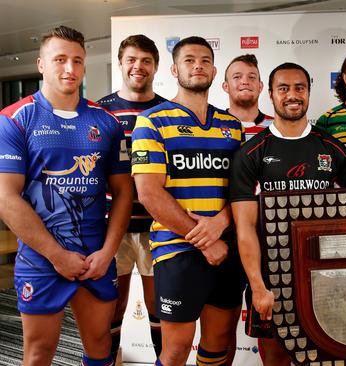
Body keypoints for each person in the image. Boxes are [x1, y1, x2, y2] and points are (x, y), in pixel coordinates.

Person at [0, 26, 133, 366]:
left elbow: (122, 193)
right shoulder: (15, 119)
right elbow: (6, 198)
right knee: (39, 352)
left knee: (101, 346)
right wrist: (58, 255)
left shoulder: (107, 122)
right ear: (41, 63)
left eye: (77, 60)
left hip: (96, 258)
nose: (70, 69)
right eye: (60, 60)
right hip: (41, 259)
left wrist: (107, 253)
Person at [131, 36, 245, 366]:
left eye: (206, 60)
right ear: (174, 69)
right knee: (177, 349)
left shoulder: (231, 126)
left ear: (214, 70)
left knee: (218, 344)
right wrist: (203, 240)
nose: (198, 65)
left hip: (226, 246)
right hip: (177, 249)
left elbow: (240, 190)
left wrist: (221, 224)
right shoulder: (151, 121)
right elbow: (149, 193)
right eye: (190, 60)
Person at [230, 62, 346, 366]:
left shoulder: (332, 148)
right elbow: (245, 228)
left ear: (309, 92)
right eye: (283, 88)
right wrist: (258, 286)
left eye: (300, 88)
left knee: (327, 355)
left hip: (325, 276)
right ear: (270, 94)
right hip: (272, 277)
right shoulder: (251, 152)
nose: (292, 95)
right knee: (276, 358)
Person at [96, 34, 166, 362]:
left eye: (146, 61)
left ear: (156, 66)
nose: (138, 67)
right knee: (114, 305)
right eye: (131, 60)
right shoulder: (100, 111)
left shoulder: (168, 112)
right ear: (122, 63)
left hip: (158, 226)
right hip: (113, 228)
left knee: (158, 307)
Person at [222, 54, 273, 141]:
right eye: (237, 77)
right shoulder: (213, 125)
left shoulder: (277, 127)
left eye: (252, 77)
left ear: (260, 86)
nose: (245, 82)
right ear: (226, 86)